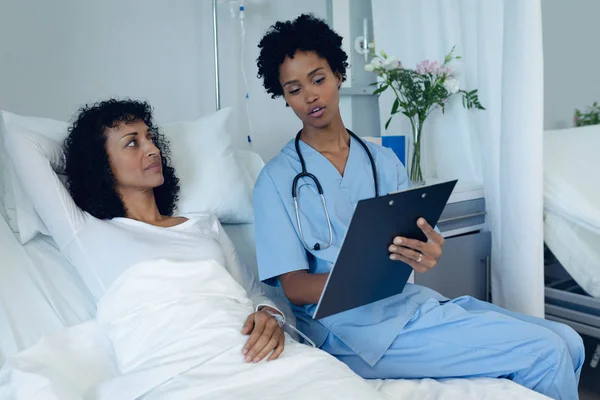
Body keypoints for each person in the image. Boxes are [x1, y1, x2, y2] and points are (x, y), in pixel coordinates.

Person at [253, 13, 584, 400]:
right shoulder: (275, 181)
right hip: (349, 333)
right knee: (546, 352)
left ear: (339, 74)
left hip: (406, 306)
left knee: (569, 339)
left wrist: (428, 253)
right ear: (284, 96)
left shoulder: (382, 161)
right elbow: (293, 287)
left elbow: (423, 247)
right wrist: (358, 281)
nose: (310, 96)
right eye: (294, 89)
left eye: (318, 79)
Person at [5, 99, 285, 364]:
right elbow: (21, 140)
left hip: (254, 350)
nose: (152, 149)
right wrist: (87, 162)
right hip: (180, 365)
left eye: (150, 138)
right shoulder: (85, 232)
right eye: (132, 143)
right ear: (102, 163)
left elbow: (255, 295)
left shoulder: (204, 225)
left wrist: (270, 316)